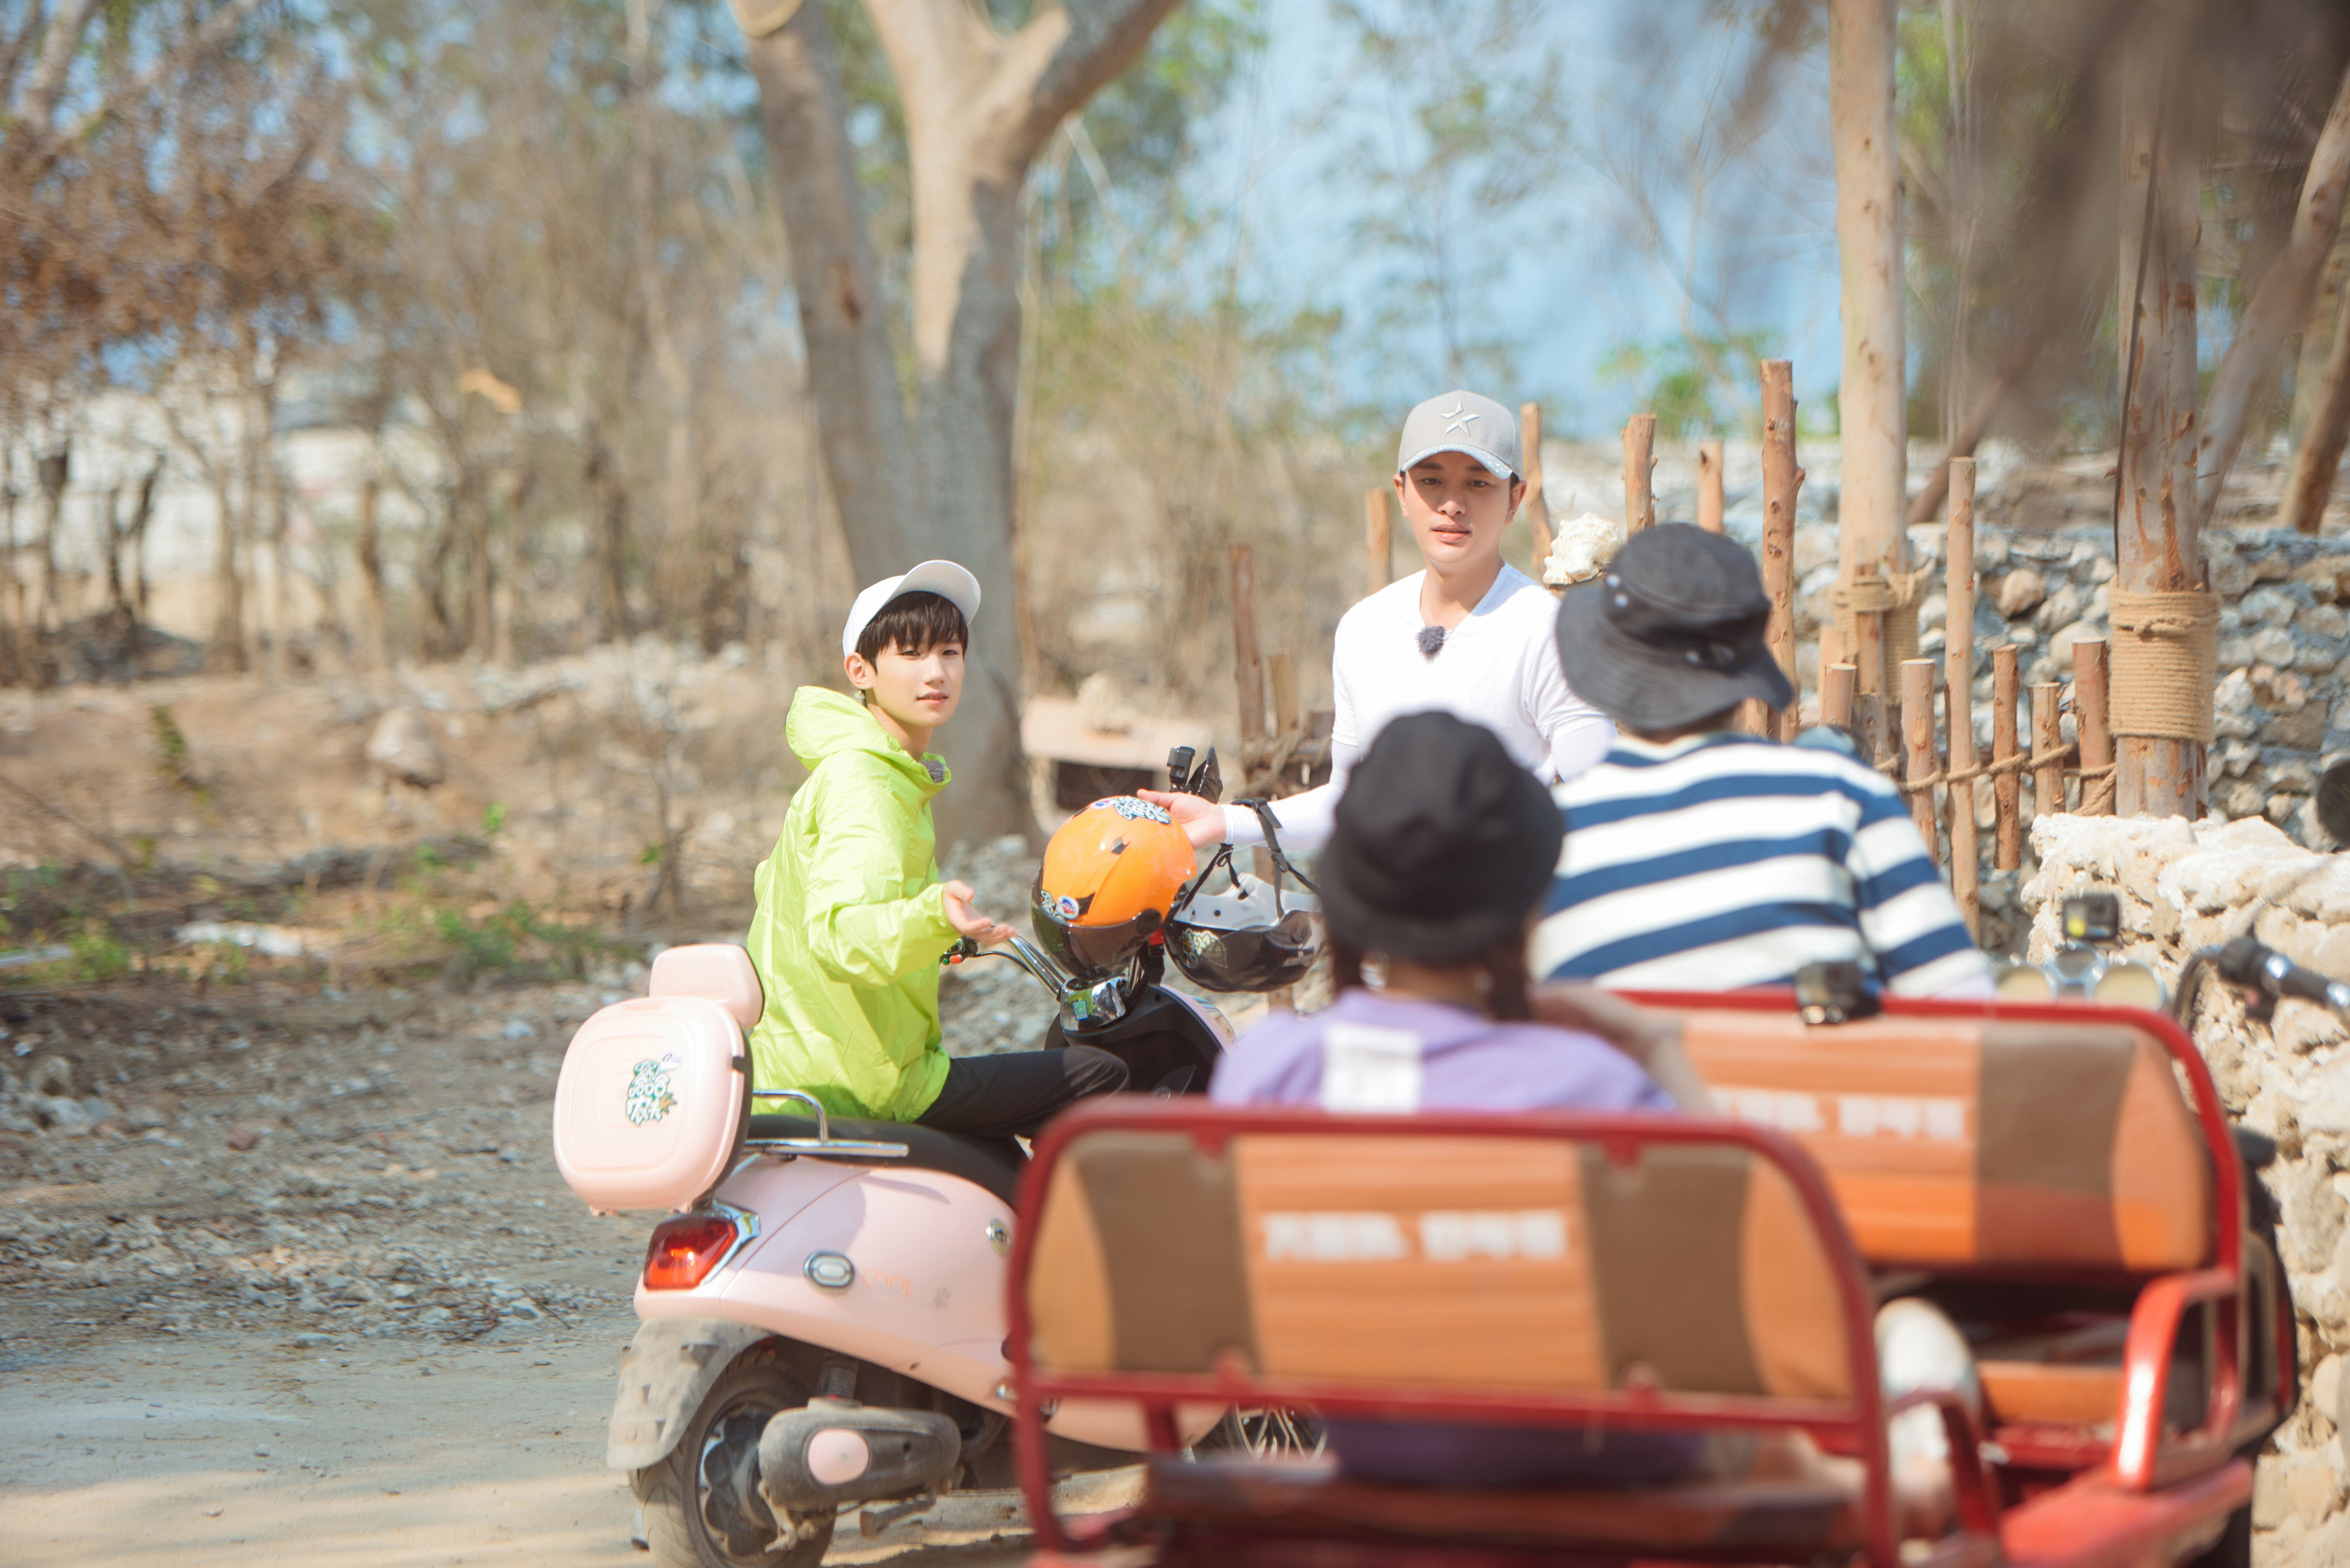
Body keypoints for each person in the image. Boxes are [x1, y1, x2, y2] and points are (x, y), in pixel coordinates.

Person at [1215, 710, 1973, 1517]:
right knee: (1911, 1339)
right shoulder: (1593, 1086)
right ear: (1525, 904)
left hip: (1385, 1450)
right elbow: (1790, 1294)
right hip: (1624, 1467)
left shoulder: (1267, 1072)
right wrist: (1651, 1043)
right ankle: (1901, 1489)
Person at [743, 562, 1127, 1139]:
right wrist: (931, 914)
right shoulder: (866, 785)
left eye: (950, 652)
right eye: (911, 654)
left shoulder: (877, 773)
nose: (937, 672)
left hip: (816, 1069)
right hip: (865, 1086)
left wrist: (951, 938)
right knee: (1103, 1073)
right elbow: (839, 936)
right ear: (861, 670)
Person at [1533, 524, 1994, 1000]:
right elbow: (1962, 1004)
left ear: (1607, 662)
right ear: (1744, 665)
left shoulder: (1550, 841)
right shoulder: (1840, 798)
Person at [1144, 389, 1612, 853]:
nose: (1453, 504)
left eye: (1478, 483)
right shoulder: (1364, 629)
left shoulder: (1549, 631)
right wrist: (1225, 820)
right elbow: (1350, 800)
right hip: (1382, 919)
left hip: (1500, 918)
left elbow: (1602, 799)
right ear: (1401, 494)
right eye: (1431, 481)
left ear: (1516, 499)